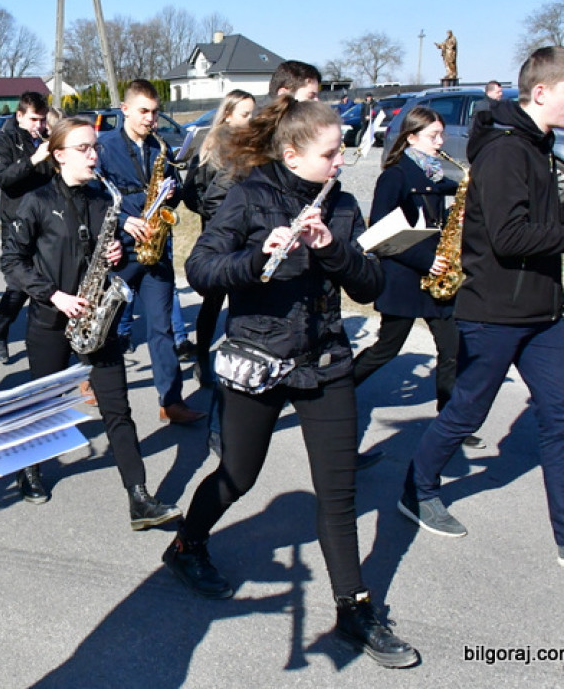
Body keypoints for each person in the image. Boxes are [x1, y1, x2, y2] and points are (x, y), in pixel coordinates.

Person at [165, 97, 419, 668]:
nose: (340, 163)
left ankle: (353, 609)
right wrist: (259, 256)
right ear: (292, 154)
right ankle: (187, 544)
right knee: (237, 476)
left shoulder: (344, 205)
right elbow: (202, 269)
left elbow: (370, 285)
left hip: (325, 361)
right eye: (330, 154)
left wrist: (330, 249)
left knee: (339, 492)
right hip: (259, 358)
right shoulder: (251, 195)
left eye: (341, 152)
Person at [399, 47, 564, 567]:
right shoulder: (504, 151)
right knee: (467, 409)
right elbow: (510, 236)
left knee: (559, 416)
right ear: (541, 92)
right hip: (494, 309)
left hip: (543, 310)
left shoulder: (540, 147)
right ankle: (417, 488)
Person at [0, 116, 184, 525]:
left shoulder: (105, 199)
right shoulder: (37, 200)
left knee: (117, 409)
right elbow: (11, 261)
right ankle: (30, 470)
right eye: (83, 148)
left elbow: (105, 250)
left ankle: (139, 497)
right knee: (42, 405)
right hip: (51, 318)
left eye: (95, 147)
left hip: (98, 317)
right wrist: (54, 295)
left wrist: (118, 250)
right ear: (59, 154)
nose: (93, 155)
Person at [351, 107, 483, 457]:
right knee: (386, 349)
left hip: (436, 277)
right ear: (411, 137)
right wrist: (427, 259)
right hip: (405, 278)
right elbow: (380, 234)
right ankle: (336, 392)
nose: (441, 142)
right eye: (433, 136)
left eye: (440, 135)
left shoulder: (437, 172)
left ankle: (449, 420)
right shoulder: (395, 176)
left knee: (452, 351)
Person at [99, 79, 204, 425]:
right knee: (106, 326)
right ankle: (94, 379)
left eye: (155, 112)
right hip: (121, 248)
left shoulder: (162, 149)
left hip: (154, 247)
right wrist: (124, 220)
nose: (150, 119)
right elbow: (93, 197)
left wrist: (173, 190)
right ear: (125, 109)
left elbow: (170, 195)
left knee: (163, 329)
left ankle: (170, 401)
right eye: (143, 111)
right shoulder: (104, 147)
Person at [182, 89, 256, 385]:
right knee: (215, 301)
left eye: (252, 114)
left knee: (232, 299)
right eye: (244, 115)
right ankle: (203, 359)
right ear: (227, 114)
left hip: (233, 232)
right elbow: (199, 193)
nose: (250, 121)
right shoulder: (217, 143)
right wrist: (224, 220)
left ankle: (227, 359)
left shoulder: (244, 142)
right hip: (222, 235)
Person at [0, 91, 52, 363]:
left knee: (49, 281)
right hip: (16, 223)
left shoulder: (45, 139)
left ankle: (42, 339)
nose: (39, 125)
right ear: (20, 116)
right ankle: (0, 332)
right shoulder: (3, 140)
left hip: (46, 221)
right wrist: (36, 158)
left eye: (42, 119)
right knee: (17, 287)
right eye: (34, 119)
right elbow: (4, 178)